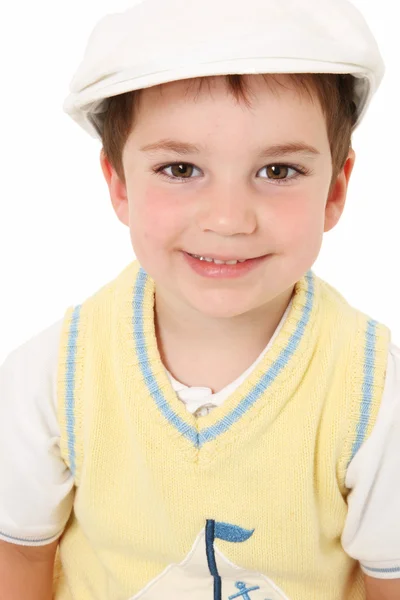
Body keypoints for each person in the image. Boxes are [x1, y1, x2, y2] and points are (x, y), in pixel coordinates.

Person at [0, 0, 399, 598]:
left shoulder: (372, 391)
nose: (229, 219)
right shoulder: (54, 374)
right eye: (181, 168)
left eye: (280, 171)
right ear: (119, 184)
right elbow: (20, 556)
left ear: (336, 189)